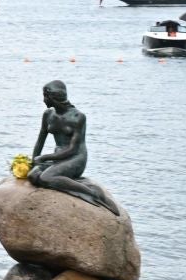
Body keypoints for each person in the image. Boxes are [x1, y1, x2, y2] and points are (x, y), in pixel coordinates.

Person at [28, 80, 119, 216]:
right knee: (33, 175)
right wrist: (33, 160)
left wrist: (44, 157)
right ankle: (68, 181)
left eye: (45, 96)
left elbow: (73, 149)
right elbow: (40, 139)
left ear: (54, 97)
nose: (43, 100)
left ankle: (93, 193)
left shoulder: (78, 117)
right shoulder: (48, 114)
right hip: (58, 157)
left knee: (46, 178)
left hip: (76, 158)